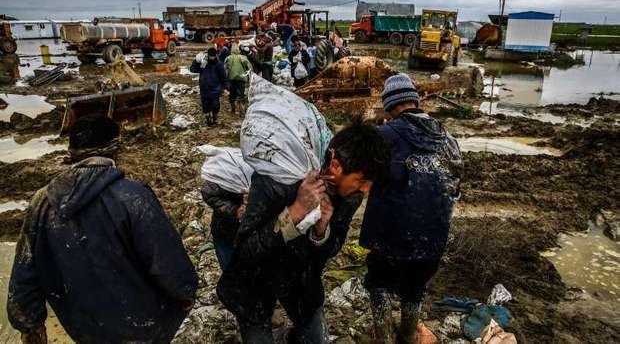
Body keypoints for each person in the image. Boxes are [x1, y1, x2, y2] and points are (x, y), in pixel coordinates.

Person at [7, 114, 198, 344]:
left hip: (84, 327)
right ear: (115, 151)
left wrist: (29, 323)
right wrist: (185, 292)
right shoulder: (133, 196)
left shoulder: (42, 201)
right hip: (144, 326)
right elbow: (166, 259)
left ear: (72, 153)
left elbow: (26, 269)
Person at [217, 121, 391, 344]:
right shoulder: (277, 181)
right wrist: (295, 211)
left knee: (316, 339)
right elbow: (246, 253)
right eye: (363, 180)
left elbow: (333, 245)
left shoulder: (350, 196)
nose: (366, 190)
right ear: (336, 165)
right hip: (254, 282)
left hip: (301, 279)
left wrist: (321, 231)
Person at [359, 73, 463, 343]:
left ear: (390, 104)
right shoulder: (448, 139)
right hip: (433, 239)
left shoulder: (383, 137)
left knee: (379, 283)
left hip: (390, 237)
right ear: (415, 101)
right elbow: (455, 188)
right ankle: (408, 333)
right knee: (414, 287)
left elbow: (362, 178)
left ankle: (382, 335)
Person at [191, 47, 227, 126]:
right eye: (210, 56)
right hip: (204, 89)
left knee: (215, 106)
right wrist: (196, 61)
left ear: (216, 55)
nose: (212, 58)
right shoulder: (203, 63)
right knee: (206, 107)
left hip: (215, 90)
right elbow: (193, 70)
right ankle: (208, 120)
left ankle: (214, 118)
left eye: (213, 56)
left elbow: (223, 77)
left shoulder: (218, 64)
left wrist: (224, 87)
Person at [224, 44, 253, 114]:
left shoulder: (228, 58)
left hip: (231, 79)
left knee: (232, 94)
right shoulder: (243, 58)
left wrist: (225, 79)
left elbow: (225, 69)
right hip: (242, 79)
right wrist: (249, 78)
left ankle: (232, 108)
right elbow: (249, 68)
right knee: (241, 94)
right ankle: (241, 110)